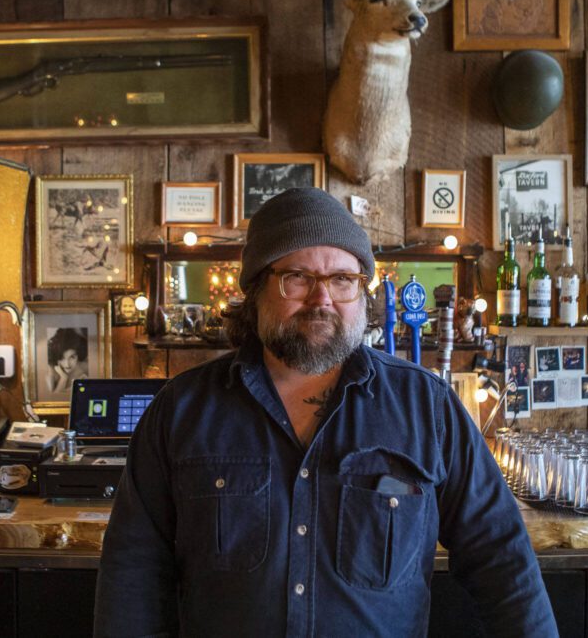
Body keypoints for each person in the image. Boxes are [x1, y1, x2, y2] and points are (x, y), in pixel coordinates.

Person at [95, 188, 556, 637]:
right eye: (298, 277)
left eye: (342, 279)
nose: (323, 300)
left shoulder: (427, 407)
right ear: (256, 288)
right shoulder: (182, 410)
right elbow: (132, 573)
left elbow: (501, 557)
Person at [46, 327, 88, 393]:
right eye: (62, 358)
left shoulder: (83, 377)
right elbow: (53, 400)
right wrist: (64, 378)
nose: (67, 364)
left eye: (72, 357)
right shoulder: (50, 373)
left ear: (78, 355)